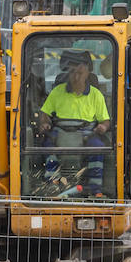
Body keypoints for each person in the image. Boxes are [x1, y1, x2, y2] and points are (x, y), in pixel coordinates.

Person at [36, 52, 110, 196]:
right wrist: (44, 123)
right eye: (72, 72)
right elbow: (44, 115)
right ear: (67, 73)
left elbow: (105, 121)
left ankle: (95, 190)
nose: (76, 77)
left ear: (87, 73)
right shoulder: (57, 92)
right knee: (46, 145)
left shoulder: (96, 95)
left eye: (80, 73)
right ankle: (53, 183)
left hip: (86, 134)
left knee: (98, 148)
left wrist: (103, 127)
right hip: (60, 132)